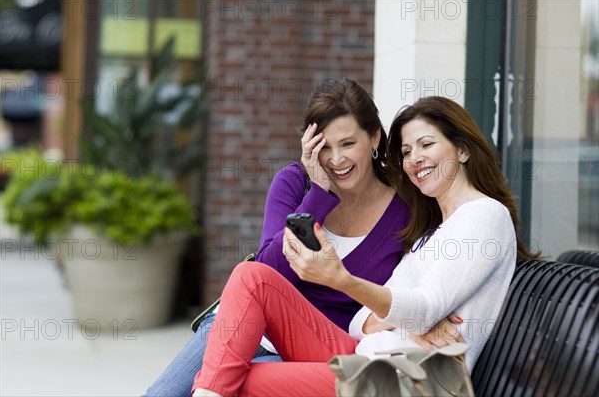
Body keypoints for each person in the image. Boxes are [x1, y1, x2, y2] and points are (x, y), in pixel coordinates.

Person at [191, 96, 540, 397]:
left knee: (235, 380)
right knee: (252, 276)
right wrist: (406, 319)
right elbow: (361, 321)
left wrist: (342, 280)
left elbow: (420, 308)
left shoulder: (484, 215)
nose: (415, 158)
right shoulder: (432, 234)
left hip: (403, 381)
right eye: (406, 151)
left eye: (427, 144)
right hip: (365, 356)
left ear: (462, 149)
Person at [145, 78, 429, 396]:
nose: (336, 160)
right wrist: (318, 195)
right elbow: (266, 269)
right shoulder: (295, 184)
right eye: (324, 147)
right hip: (243, 323)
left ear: (374, 137)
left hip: (314, 351)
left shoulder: (407, 209)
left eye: (348, 144)